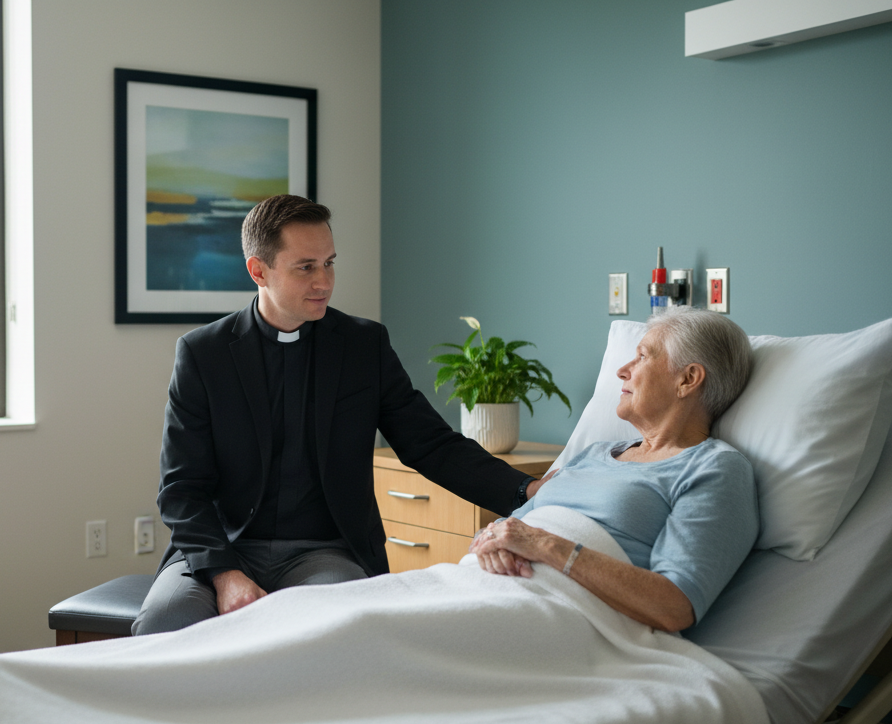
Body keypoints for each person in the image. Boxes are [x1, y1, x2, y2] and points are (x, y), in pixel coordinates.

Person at [135, 195, 543, 635]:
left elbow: (430, 444)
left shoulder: (363, 346)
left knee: (342, 629)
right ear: (258, 271)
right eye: (306, 267)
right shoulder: (203, 354)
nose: (324, 281)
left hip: (323, 552)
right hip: (220, 549)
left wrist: (525, 489)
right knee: (166, 621)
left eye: (329, 263)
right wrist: (225, 575)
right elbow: (181, 488)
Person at [472, 306, 757, 631]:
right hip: (488, 584)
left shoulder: (716, 469)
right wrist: (488, 543)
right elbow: (507, 529)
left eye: (642, 357)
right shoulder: (594, 453)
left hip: (560, 614)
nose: (622, 371)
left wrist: (546, 546)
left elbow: (674, 607)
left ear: (687, 379)